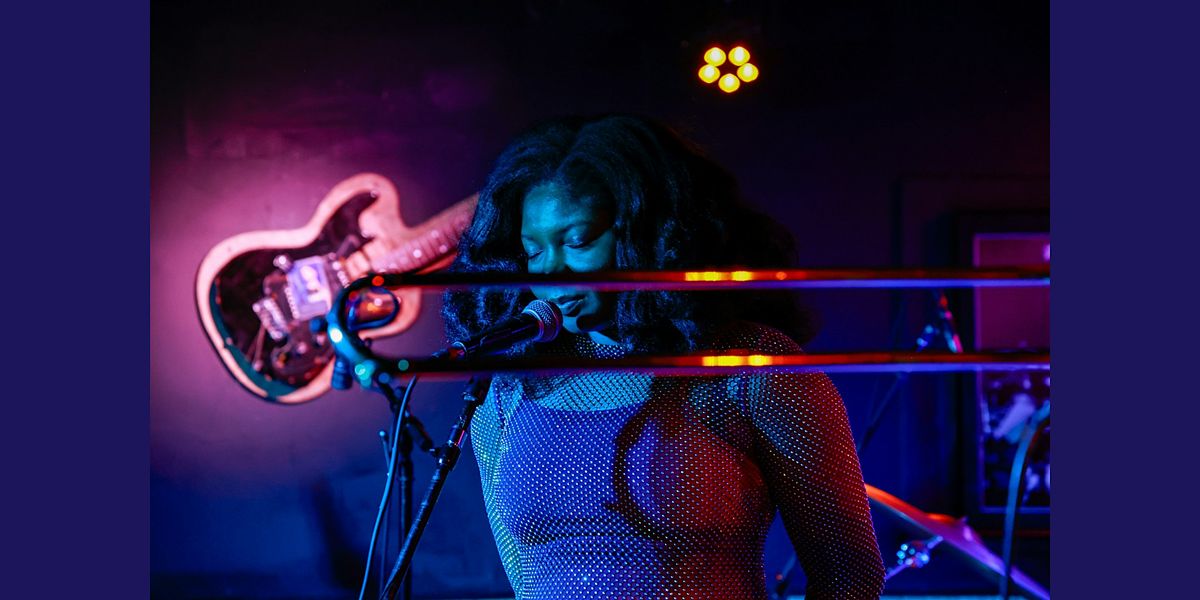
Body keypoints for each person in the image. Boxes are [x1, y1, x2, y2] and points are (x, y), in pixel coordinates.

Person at [443, 114, 885, 599]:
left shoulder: (749, 367)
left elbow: (849, 575)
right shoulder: (510, 388)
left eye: (578, 241)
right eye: (533, 251)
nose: (551, 271)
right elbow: (525, 578)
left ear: (648, 234)